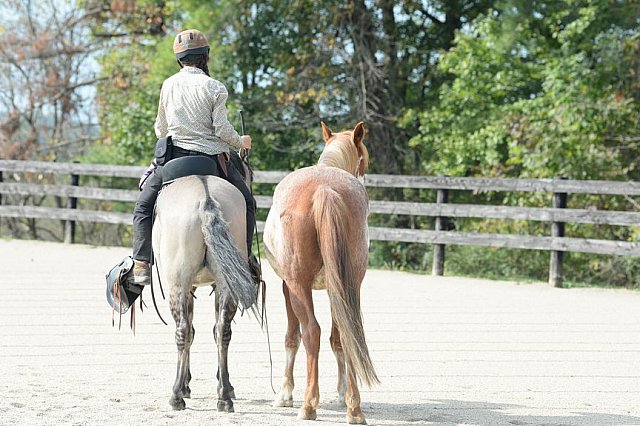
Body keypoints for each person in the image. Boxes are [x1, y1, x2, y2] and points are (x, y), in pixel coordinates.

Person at [130, 28, 257, 286]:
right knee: (246, 201)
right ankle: (245, 260)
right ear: (205, 57)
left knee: (143, 205)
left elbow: (160, 129)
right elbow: (221, 129)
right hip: (211, 160)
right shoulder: (214, 87)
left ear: (180, 60)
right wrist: (240, 142)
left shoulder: (168, 85)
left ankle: (141, 263)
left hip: (174, 161)